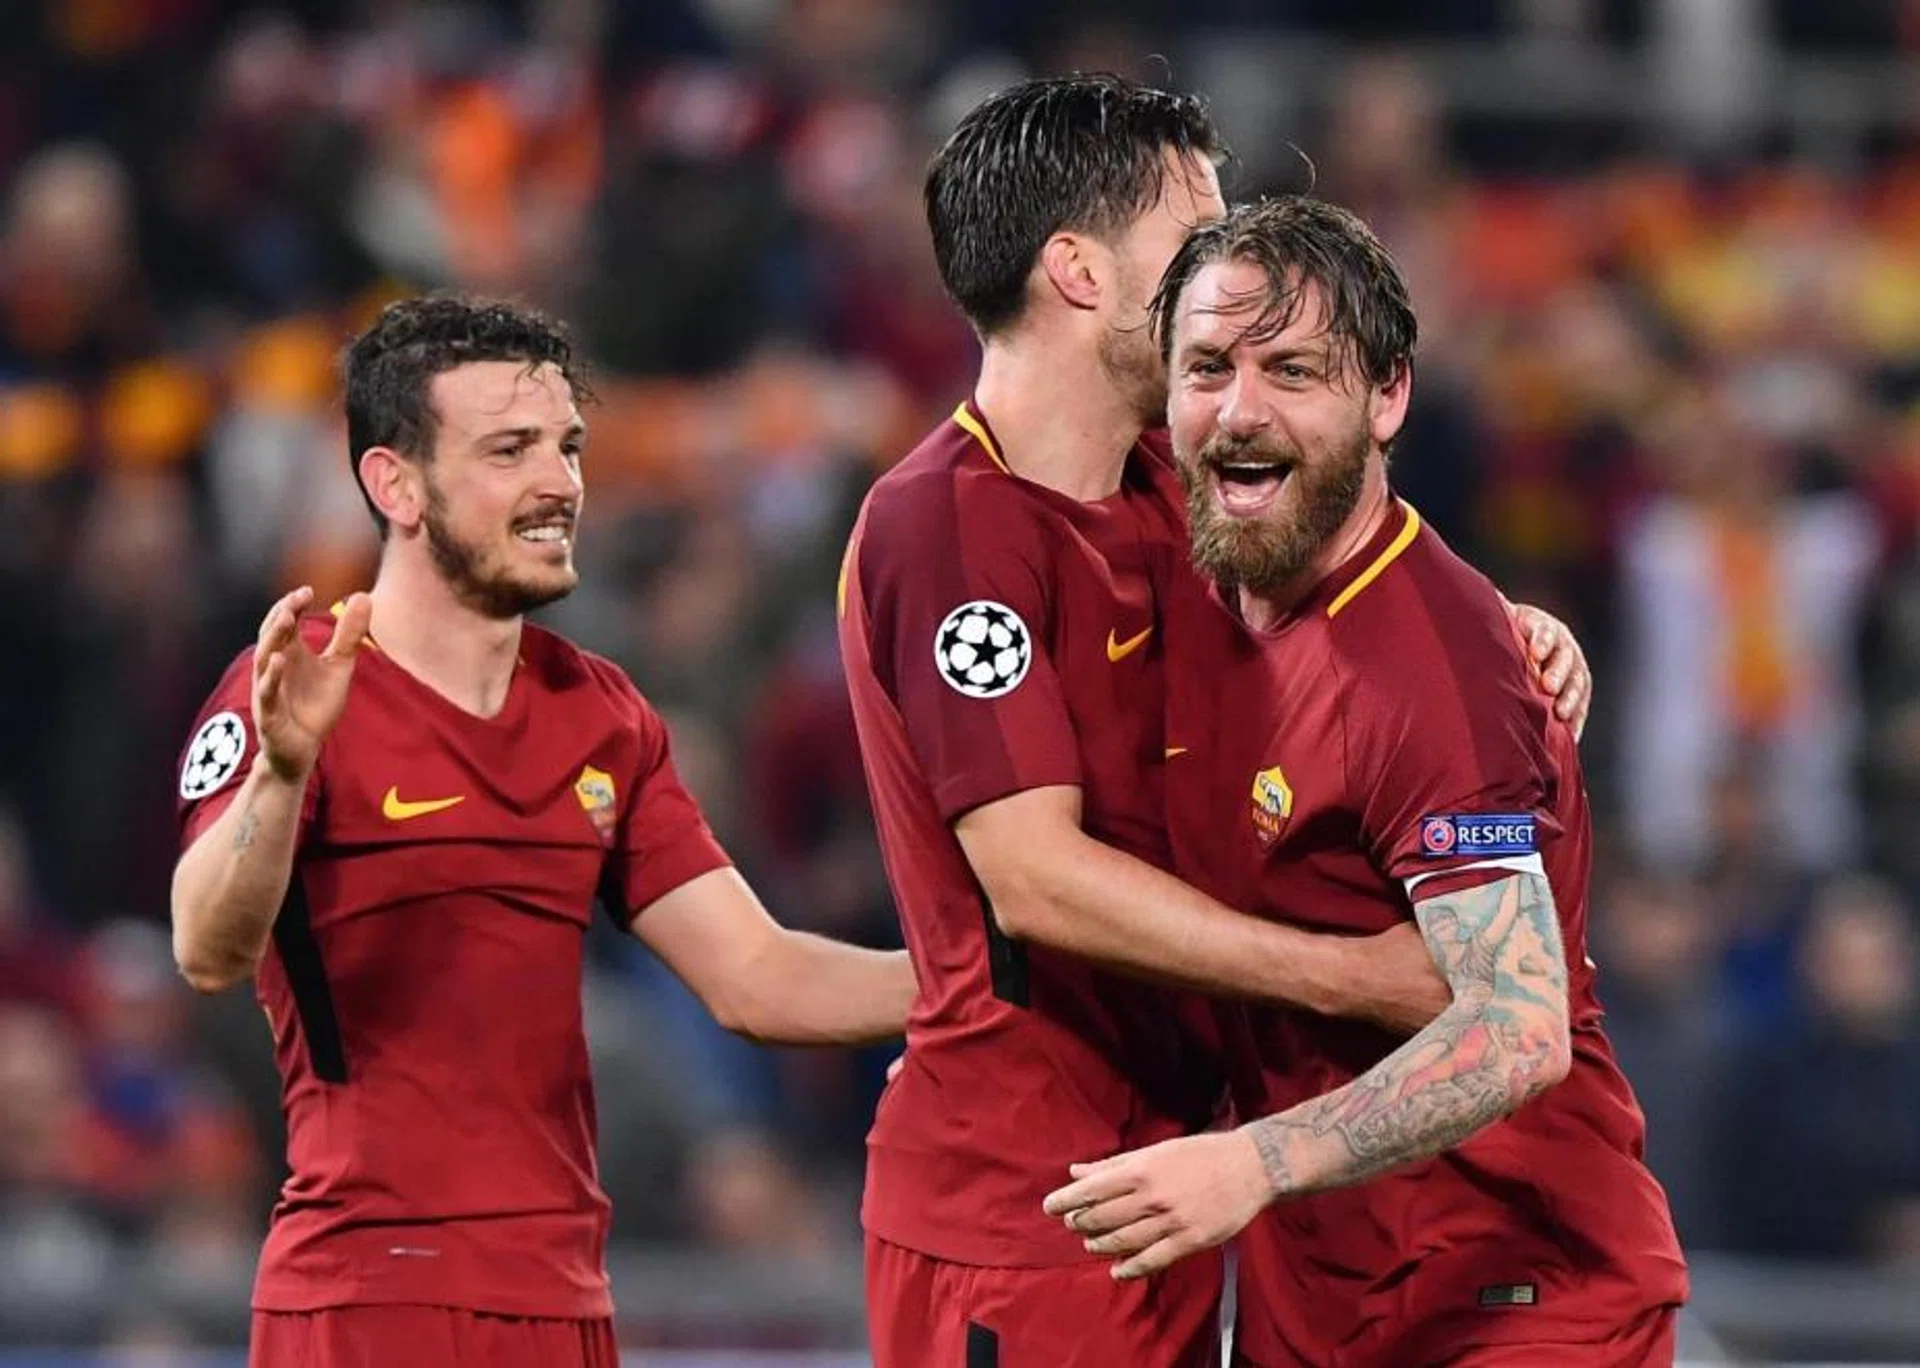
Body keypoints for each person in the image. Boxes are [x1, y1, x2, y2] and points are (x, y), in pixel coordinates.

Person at [838, 77, 1594, 1367]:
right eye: (1194, 236)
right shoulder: (949, 525)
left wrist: (1496, 629)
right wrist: (1353, 976)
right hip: (1030, 1206)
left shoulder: (1176, 490)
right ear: (1078, 273)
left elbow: (1370, 615)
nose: (1227, 269)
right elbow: (1035, 881)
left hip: (1196, 1173)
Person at [169, 297, 915, 1368]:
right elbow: (206, 945)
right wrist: (284, 773)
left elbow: (760, 978)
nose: (560, 483)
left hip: (567, 1309)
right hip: (368, 1301)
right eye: (510, 450)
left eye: (567, 447)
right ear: (397, 484)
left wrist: (991, 979)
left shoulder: (601, 716)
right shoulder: (296, 685)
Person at [1045, 197, 1687, 1367]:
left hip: (1518, 1301)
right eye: (1207, 369)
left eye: (1293, 370)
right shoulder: (1210, 564)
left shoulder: (1432, 673)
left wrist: (1252, 1160)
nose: (1241, 408)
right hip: (1320, 1294)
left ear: (1386, 397)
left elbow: (1516, 1029)